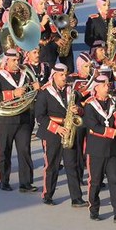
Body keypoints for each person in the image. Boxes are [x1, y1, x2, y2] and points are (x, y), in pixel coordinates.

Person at [82, 75, 116, 222]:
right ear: (96, 88)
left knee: (115, 180)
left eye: (108, 84)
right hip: (97, 149)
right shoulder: (90, 105)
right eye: (104, 85)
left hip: (113, 148)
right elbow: (94, 127)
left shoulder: (113, 102)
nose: (107, 87)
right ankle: (94, 209)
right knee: (96, 181)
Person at [34, 63, 84, 204]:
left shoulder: (72, 91)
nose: (64, 77)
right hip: (52, 133)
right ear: (54, 75)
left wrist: (77, 110)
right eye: (61, 75)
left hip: (69, 131)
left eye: (65, 75)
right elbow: (40, 117)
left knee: (72, 165)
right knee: (52, 166)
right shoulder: (45, 92)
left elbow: (81, 108)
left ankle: (76, 198)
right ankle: (47, 195)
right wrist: (57, 128)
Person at [0, 48, 37, 192]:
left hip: (23, 117)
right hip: (5, 119)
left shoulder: (25, 74)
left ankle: (26, 183)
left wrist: (34, 88)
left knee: (24, 150)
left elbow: (29, 92)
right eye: (14, 60)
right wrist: (13, 94)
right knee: (4, 151)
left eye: (18, 60)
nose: (17, 62)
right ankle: (4, 181)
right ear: (6, 61)